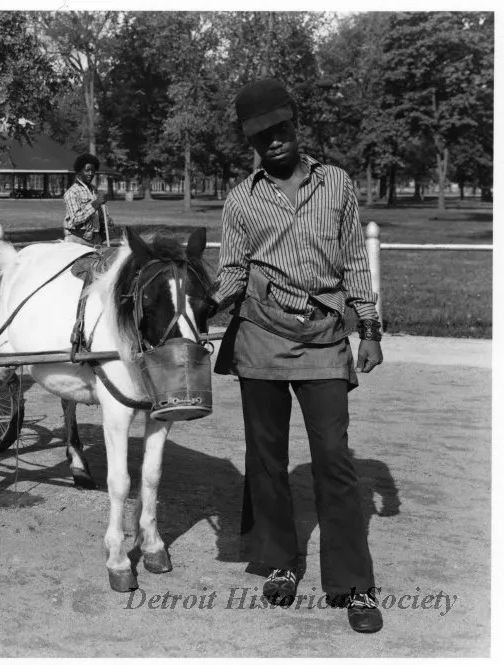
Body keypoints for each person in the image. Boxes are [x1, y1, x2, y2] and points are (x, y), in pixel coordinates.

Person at [210, 78, 385, 634]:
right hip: (259, 336)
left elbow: (355, 258)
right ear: (251, 143)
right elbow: (234, 273)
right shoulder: (241, 199)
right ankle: (281, 561)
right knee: (267, 459)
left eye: (281, 130)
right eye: (263, 137)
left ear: (296, 127)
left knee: (334, 457)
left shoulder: (335, 184)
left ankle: (353, 584)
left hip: (324, 336)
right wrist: (199, 305)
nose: (275, 143)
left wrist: (370, 328)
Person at [63, 153, 115, 246]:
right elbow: (76, 219)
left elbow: (99, 214)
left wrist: (107, 221)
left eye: (93, 171)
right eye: (87, 170)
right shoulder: (72, 192)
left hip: (95, 239)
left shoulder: (94, 190)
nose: (91, 174)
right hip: (77, 240)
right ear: (79, 171)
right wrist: (96, 203)